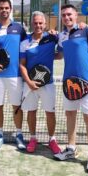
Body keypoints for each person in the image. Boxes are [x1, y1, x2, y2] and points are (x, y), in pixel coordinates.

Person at [54, 4, 88, 174]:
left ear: (76, 15)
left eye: (69, 14)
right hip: (69, 84)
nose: (66, 17)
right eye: (63, 15)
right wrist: (41, 51)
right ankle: (70, 149)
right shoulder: (62, 36)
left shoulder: (87, 31)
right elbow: (60, 55)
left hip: (87, 84)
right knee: (70, 115)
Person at [0, 0, 27, 150]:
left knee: (17, 107)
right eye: (1, 8)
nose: (4, 10)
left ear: (11, 9)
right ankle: (0, 134)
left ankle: (19, 134)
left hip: (15, 75)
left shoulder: (20, 29)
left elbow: (28, 45)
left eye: (6, 8)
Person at [19, 11, 62, 154]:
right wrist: (29, 82)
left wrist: (53, 53)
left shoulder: (52, 38)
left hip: (47, 84)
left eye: (40, 23)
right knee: (31, 112)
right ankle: (33, 138)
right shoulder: (25, 43)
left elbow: (60, 54)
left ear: (45, 24)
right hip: (30, 84)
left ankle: (52, 140)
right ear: (32, 24)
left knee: (50, 112)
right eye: (35, 23)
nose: (38, 25)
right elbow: (22, 64)